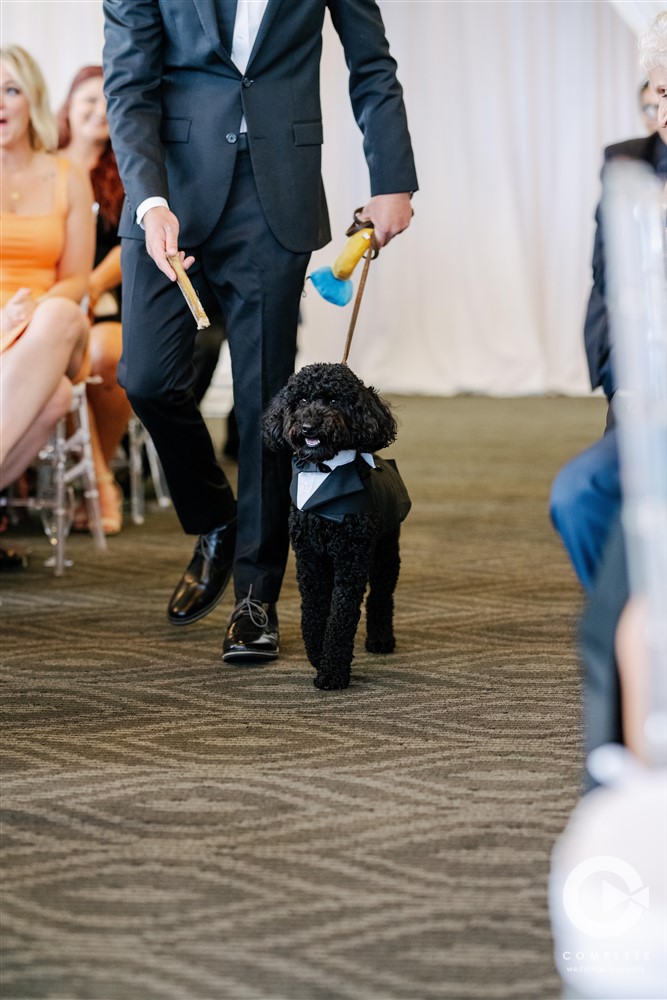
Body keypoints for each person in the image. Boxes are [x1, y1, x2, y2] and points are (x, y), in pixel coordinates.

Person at [102, 0, 418, 662]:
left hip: (272, 193)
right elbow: (128, 80)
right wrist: (150, 200)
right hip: (168, 193)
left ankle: (256, 597)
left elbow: (370, 61)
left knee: (265, 405)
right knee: (148, 379)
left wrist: (392, 180)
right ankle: (216, 517)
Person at [549, 68, 667, 590]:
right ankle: (630, 629)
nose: (661, 115)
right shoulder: (626, 162)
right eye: (657, 97)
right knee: (581, 492)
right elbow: (610, 272)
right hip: (643, 370)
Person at [0, 46, 93, 493]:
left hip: (48, 331)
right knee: (53, 398)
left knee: (60, 314)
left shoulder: (67, 175)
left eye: (10, 90)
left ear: (32, 99)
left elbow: (76, 278)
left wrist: (32, 310)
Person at [57, 65, 131, 535]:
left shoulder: (128, 169)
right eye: (88, 100)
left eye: (108, 101)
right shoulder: (44, 165)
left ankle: (96, 473)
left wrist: (89, 288)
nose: (98, 110)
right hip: (50, 293)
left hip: (108, 293)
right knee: (62, 353)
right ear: (67, 107)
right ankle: (99, 479)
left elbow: (134, 244)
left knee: (106, 355)